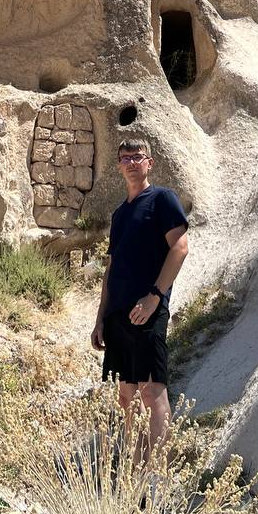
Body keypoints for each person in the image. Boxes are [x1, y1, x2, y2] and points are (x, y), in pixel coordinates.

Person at [91, 134, 189, 451]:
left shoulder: (162, 199)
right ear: (119, 166)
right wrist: (100, 319)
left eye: (137, 156)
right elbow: (112, 269)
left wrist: (155, 296)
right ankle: (137, 464)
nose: (131, 162)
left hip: (147, 310)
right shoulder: (120, 215)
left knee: (151, 390)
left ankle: (157, 473)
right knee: (126, 395)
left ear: (150, 162)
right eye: (125, 158)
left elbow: (180, 247)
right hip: (118, 315)